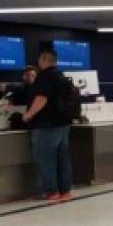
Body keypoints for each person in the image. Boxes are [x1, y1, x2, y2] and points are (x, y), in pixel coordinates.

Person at [22, 49, 73, 202]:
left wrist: (28, 115)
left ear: (43, 60)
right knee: (62, 158)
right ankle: (65, 191)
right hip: (63, 124)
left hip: (46, 125)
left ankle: (51, 191)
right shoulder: (61, 76)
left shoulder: (45, 76)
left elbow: (41, 99)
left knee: (45, 159)